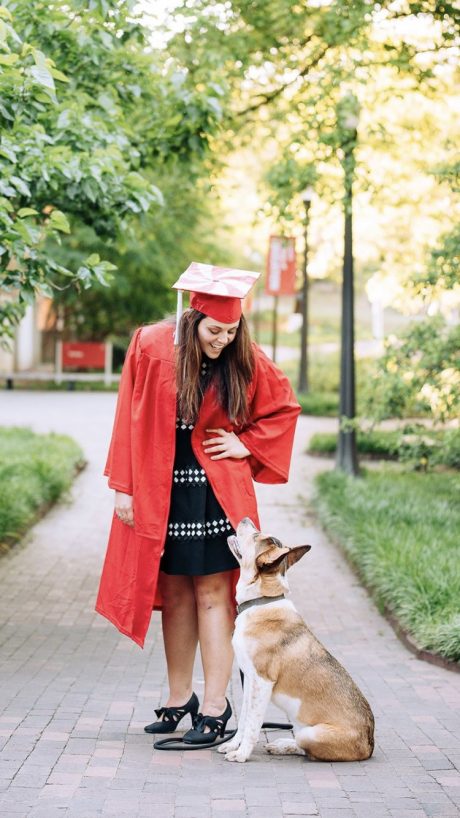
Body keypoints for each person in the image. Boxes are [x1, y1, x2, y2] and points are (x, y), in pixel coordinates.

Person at [95, 263, 301, 745]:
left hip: (215, 493)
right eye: (215, 330)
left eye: (231, 331)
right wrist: (123, 486)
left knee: (211, 591)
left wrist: (247, 445)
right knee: (176, 593)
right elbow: (127, 411)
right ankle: (178, 697)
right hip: (161, 489)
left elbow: (283, 407)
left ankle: (215, 705)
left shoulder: (244, 354)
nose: (223, 340)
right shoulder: (150, 345)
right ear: (192, 319)